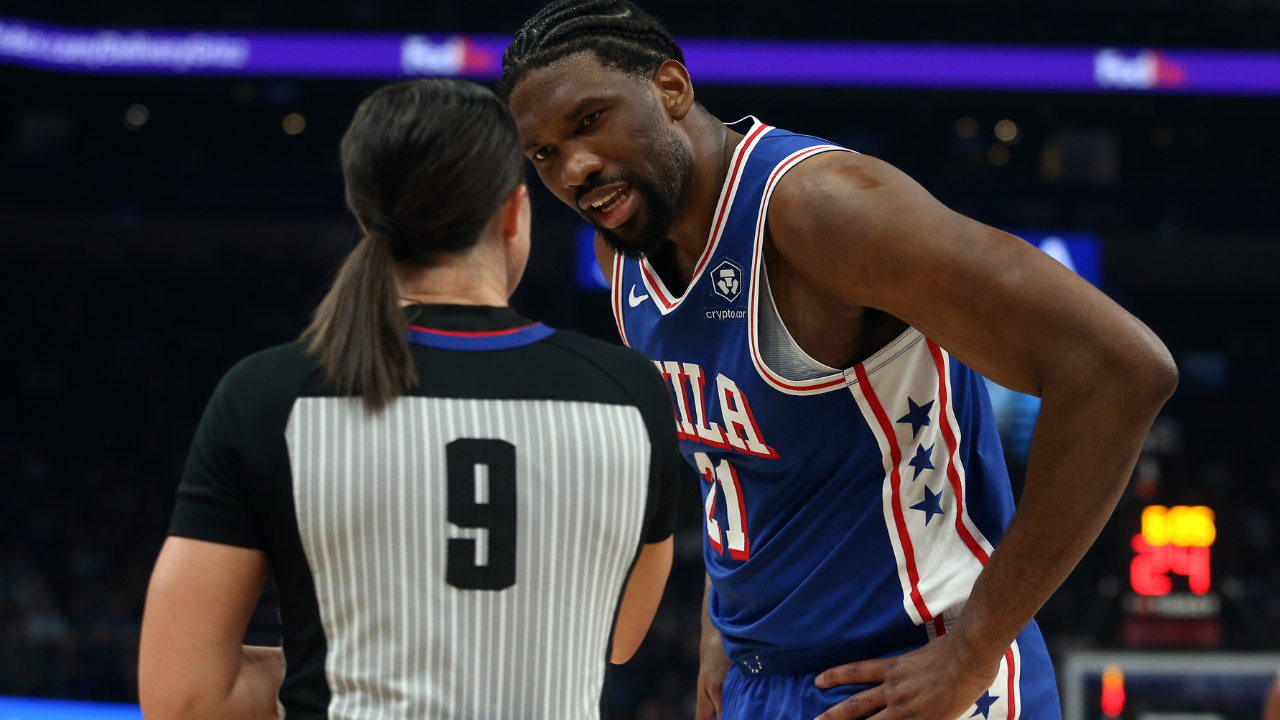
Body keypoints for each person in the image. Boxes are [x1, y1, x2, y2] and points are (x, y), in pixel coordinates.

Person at [498, 3, 1179, 719]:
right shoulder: (626, 247)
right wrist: (719, 620)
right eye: (542, 153)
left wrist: (975, 650)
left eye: (588, 119)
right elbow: (728, 458)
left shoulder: (822, 210)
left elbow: (1122, 369)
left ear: (671, 88)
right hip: (765, 677)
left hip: (917, 668)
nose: (573, 167)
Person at [137, 78, 684, 720]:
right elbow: (616, 640)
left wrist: (354, 669)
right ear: (512, 212)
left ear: (368, 222)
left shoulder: (268, 396)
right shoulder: (632, 394)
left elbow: (186, 700)